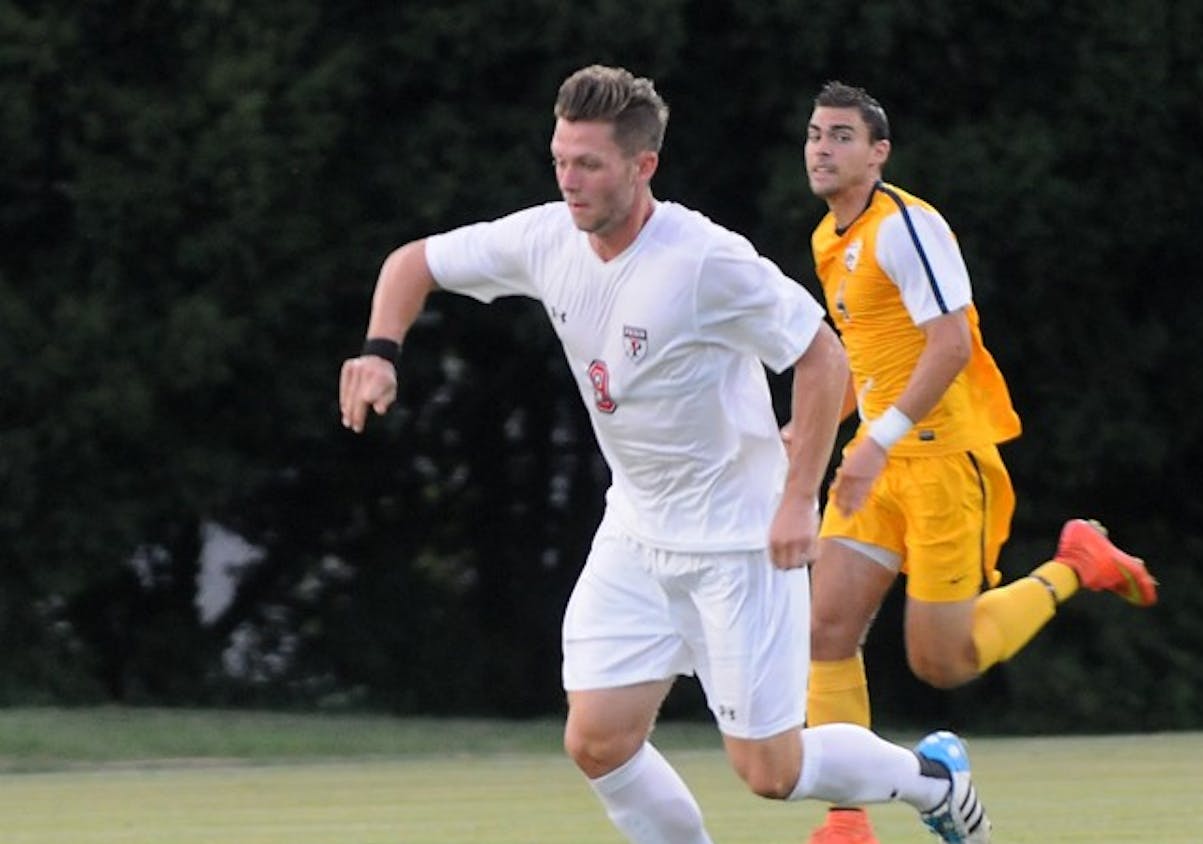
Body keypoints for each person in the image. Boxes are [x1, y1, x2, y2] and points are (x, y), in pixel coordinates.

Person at [339, 65, 992, 844]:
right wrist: (379, 352)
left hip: (739, 541)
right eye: (560, 160)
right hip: (637, 535)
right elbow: (413, 263)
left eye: (590, 164)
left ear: (642, 165)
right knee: (597, 741)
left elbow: (822, 356)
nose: (569, 181)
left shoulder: (704, 259)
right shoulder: (547, 237)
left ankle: (933, 780)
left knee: (772, 772)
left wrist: (797, 498)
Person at [799, 81, 1160, 844]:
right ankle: (847, 820)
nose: (822, 149)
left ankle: (1076, 565)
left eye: (841, 136)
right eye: (815, 135)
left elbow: (952, 344)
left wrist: (877, 440)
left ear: (878, 153)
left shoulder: (908, 227)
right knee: (824, 632)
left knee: (943, 663)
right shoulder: (829, 237)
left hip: (943, 464)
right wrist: (799, 438)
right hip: (878, 467)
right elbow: (865, 363)